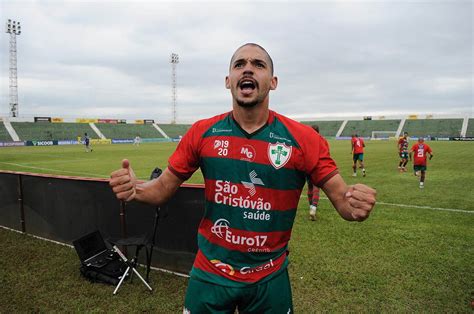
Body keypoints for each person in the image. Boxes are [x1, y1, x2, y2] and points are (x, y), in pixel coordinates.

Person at [109, 43, 376, 313]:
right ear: (228, 81)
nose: (248, 68)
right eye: (239, 64)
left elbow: (343, 200)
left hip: (269, 276)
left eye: (258, 65)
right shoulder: (202, 133)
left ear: (273, 82)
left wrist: (354, 203)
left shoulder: (304, 140)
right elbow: (163, 188)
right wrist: (136, 190)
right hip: (210, 273)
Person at [307, 125, 321, 221]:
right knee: (316, 188)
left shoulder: (306, 139)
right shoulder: (321, 139)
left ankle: (311, 207)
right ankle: (313, 208)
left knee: (309, 187)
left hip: (307, 166)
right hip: (317, 166)